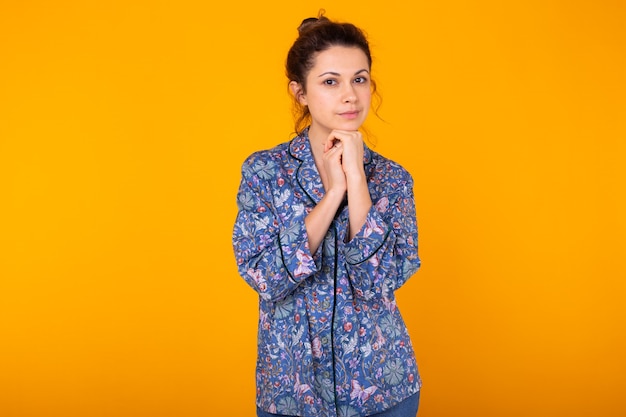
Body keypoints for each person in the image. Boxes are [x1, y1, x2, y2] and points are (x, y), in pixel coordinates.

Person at [232, 12, 422, 417]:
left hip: (383, 389)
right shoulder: (265, 172)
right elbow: (264, 275)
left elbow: (380, 280)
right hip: (292, 390)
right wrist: (335, 191)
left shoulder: (392, 178)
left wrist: (356, 177)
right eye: (330, 81)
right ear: (299, 92)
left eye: (360, 78)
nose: (350, 95)